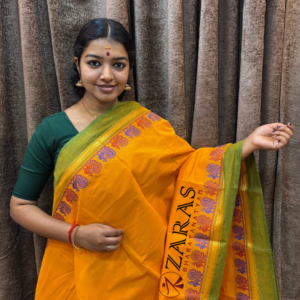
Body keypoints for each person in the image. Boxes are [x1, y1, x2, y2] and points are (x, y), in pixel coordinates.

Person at [10, 18, 294, 300]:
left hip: (148, 271)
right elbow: (21, 206)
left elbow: (192, 172)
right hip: (76, 269)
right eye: (94, 63)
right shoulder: (52, 130)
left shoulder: (150, 126)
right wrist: (76, 234)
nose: (107, 75)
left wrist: (247, 145)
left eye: (118, 65)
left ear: (129, 69)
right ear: (77, 65)